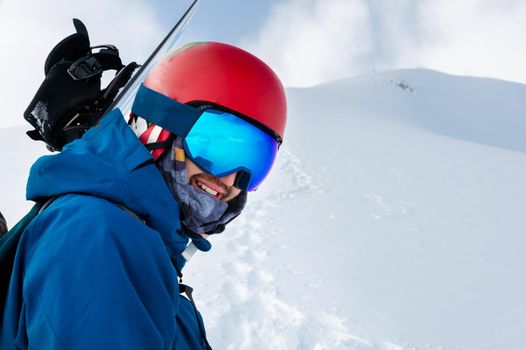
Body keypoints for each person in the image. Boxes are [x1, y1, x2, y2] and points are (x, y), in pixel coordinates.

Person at [0, 42, 286, 349]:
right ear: (159, 128)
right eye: (218, 148)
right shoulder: (98, 234)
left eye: (257, 163)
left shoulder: (147, 249)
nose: (233, 179)